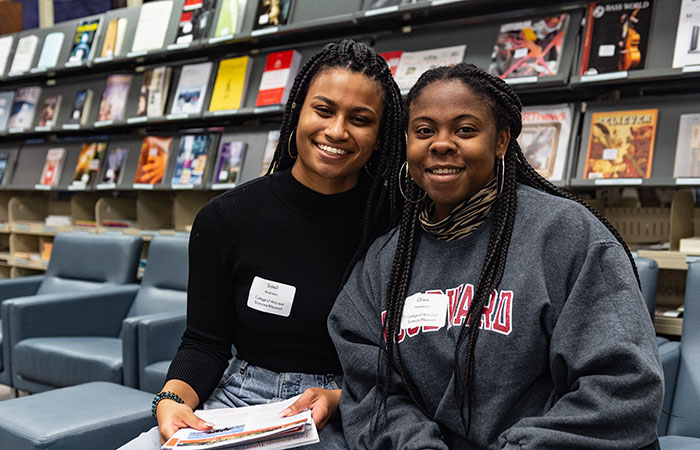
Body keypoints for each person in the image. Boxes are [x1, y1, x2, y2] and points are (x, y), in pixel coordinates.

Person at [328, 63, 663, 450]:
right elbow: (374, 391)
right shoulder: (385, 260)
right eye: (424, 131)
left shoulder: (566, 234)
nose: (441, 143)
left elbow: (625, 387)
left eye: (465, 130)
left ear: (501, 141)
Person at [120, 39, 405, 449]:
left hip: (349, 406)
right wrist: (171, 400)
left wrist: (341, 399)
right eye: (323, 110)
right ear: (297, 112)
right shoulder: (226, 218)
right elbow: (205, 341)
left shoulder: (398, 222)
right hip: (241, 398)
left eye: (360, 119)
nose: (337, 131)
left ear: (380, 136)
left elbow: (412, 355)